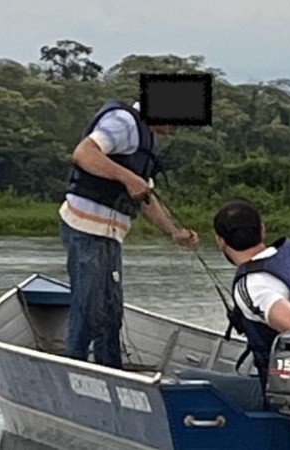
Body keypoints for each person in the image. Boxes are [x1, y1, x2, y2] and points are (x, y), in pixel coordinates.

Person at [59, 98, 199, 369]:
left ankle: (109, 368)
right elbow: (84, 153)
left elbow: (144, 196)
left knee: (111, 311)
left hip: (110, 234)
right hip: (84, 228)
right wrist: (127, 177)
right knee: (89, 308)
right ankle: (74, 366)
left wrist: (174, 232)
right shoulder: (123, 123)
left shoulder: (146, 140)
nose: (175, 126)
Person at [212, 198, 290, 393]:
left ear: (220, 241)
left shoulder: (253, 286)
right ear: (262, 230)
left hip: (288, 392)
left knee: (188, 378)